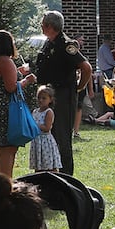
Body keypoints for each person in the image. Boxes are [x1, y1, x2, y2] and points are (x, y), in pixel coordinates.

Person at [35, 12, 90, 174]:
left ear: (50, 26)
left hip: (62, 96)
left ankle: (66, 176)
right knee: (48, 136)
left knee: (62, 138)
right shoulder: (48, 44)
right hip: (47, 95)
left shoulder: (66, 45)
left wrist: (79, 87)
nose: (41, 26)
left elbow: (86, 68)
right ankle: (49, 172)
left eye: (43, 24)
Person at [0, 30, 35, 178]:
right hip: (6, 107)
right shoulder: (5, 60)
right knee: (8, 148)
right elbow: (11, 87)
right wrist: (27, 80)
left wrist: (18, 72)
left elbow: (1, 77)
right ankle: (6, 182)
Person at [29, 86, 63, 172]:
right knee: (38, 164)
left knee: (49, 165)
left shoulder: (49, 112)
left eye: (44, 98)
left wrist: (35, 125)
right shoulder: (35, 111)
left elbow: (47, 128)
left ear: (50, 100)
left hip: (45, 142)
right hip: (36, 141)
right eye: (39, 98)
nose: (41, 100)